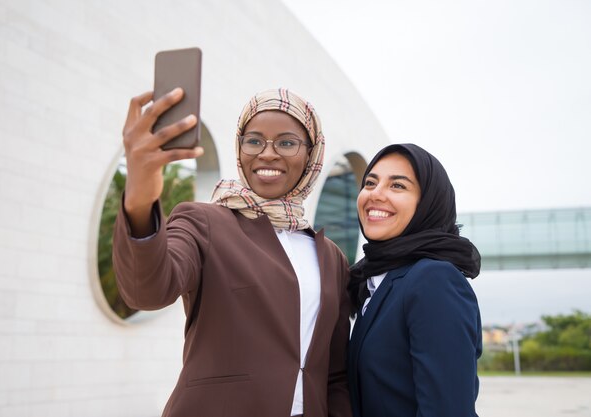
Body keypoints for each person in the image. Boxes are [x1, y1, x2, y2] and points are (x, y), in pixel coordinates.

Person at [113, 87, 352, 417]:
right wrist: (139, 199)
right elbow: (146, 290)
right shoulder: (205, 222)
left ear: (311, 155)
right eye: (253, 141)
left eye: (286, 142)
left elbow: (335, 372)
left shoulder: (331, 257)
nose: (267, 153)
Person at [347, 143, 482, 417]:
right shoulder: (374, 280)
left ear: (427, 204)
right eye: (370, 183)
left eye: (397, 186)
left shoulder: (434, 279)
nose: (376, 194)